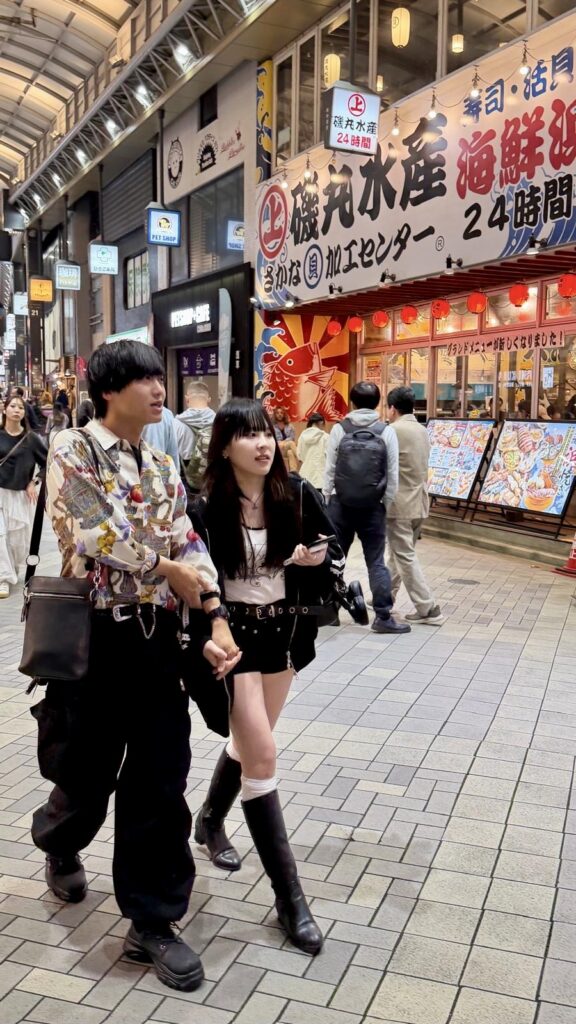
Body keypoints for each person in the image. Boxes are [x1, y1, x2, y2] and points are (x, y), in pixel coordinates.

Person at [31, 339, 240, 992]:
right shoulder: (73, 448)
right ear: (110, 391)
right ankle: (60, 839)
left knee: (160, 775)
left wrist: (209, 603)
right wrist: (165, 568)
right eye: (145, 379)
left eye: (160, 379)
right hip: (91, 643)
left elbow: (188, 535)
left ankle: (152, 920)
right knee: (86, 771)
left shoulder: (162, 463)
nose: (159, 389)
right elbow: (89, 532)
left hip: (154, 646)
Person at [191, 398, 339, 956]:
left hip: (283, 634)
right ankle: (290, 900)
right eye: (248, 434)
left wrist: (312, 557)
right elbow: (198, 580)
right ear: (224, 444)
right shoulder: (205, 508)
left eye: (269, 433)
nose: (263, 443)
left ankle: (208, 821)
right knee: (264, 757)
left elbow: (333, 548)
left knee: (251, 744)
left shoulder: (295, 493)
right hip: (233, 642)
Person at [324, 382, 408, 634]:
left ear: (352, 402)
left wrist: (328, 499)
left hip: (341, 504)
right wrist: (385, 502)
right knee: (376, 560)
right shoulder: (386, 431)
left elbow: (329, 469)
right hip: (373, 506)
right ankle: (383, 616)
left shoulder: (340, 429)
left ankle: (330, 613)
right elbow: (392, 474)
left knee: (336, 559)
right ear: (378, 403)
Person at [386, 387, 444, 626]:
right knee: (399, 553)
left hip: (400, 504)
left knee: (404, 555)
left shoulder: (392, 430)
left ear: (392, 408)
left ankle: (428, 607)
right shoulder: (422, 430)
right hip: (419, 501)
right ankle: (384, 596)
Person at [0, 395, 47, 598]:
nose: (17, 410)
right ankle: (4, 579)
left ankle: (10, 569)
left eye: (20, 407)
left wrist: (33, 482)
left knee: (17, 541)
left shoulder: (31, 439)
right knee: (0, 537)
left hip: (20, 495)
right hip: (0, 491)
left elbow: (49, 462)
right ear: (5, 410)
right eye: (13, 406)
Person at [177, 381, 216, 493]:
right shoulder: (219, 422)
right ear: (209, 399)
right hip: (213, 483)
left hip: (187, 485)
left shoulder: (176, 424)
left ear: (187, 399)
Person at [142, 405, 181, 469]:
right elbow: (173, 451)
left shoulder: (131, 412)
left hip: (138, 471)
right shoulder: (167, 414)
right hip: (161, 470)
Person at [297, 413, 329, 490]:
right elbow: (329, 457)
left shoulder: (302, 436)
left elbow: (300, 456)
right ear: (321, 422)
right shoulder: (326, 437)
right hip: (321, 479)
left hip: (305, 477)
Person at [272, 407, 299, 473]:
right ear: (275, 415)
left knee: (290, 452)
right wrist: (283, 443)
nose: (279, 414)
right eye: (277, 413)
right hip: (278, 449)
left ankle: (294, 472)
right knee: (291, 443)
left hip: (286, 448)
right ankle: (300, 457)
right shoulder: (272, 427)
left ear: (284, 414)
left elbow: (292, 438)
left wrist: (283, 442)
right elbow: (273, 440)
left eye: (281, 413)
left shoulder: (290, 426)